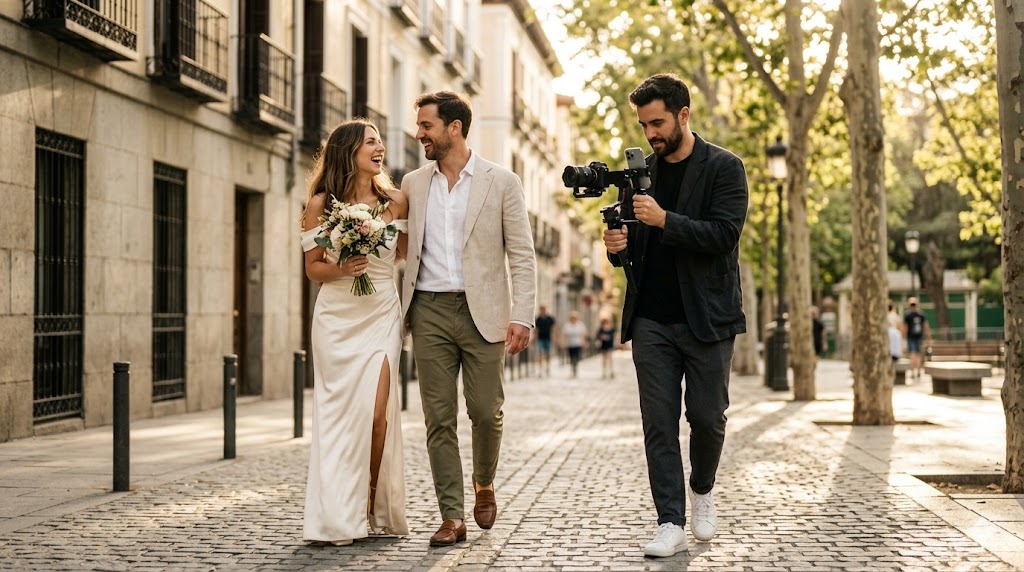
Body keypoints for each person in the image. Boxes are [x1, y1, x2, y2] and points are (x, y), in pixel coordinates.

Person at [602, 73, 748, 558]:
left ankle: (702, 490)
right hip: (651, 320)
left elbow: (723, 235)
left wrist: (665, 220)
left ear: (684, 115)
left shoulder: (726, 168)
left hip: (708, 317)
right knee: (658, 423)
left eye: (658, 123)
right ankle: (670, 521)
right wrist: (616, 247)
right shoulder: (639, 173)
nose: (650, 135)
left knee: (707, 418)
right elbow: (631, 249)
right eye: (644, 125)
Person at [400, 91, 537, 546]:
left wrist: (523, 315)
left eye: (426, 126)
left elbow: (522, 255)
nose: (419, 133)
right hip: (429, 309)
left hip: (485, 312)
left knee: (484, 410)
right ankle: (452, 515)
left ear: (453, 128)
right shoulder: (413, 183)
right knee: (438, 417)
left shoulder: (503, 182)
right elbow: (398, 245)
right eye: (419, 126)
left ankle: (484, 482)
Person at [299, 119, 410, 545]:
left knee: (377, 416)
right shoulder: (320, 204)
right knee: (339, 417)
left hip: (381, 310)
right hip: (336, 317)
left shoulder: (396, 201)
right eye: (371, 141)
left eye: (380, 140)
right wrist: (342, 265)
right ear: (349, 151)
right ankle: (336, 514)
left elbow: (403, 255)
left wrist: (372, 243)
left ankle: (367, 503)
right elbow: (313, 270)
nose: (379, 147)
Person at [902, 297, 931, 379]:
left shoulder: (914, 315)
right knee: (915, 354)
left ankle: (915, 371)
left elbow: (925, 326)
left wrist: (928, 336)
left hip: (916, 337)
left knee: (914, 354)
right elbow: (926, 326)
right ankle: (916, 370)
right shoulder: (919, 314)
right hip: (914, 337)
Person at [562, 311, 587, 378]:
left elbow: (583, 334)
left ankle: (575, 370)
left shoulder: (580, 325)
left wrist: (584, 343)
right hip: (570, 344)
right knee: (571, 358)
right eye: (572, 318)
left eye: (574, 317)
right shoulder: (567, 325)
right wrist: (564, 343)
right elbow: (565, 335)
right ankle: (572, 370)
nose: (573, 319)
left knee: (577, 357)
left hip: (578, 343)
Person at [534, 305, 556, 376]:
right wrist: (534, 338)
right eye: (541, 309)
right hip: (540, 339)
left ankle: (548, 368)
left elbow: (553, 329)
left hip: (548, 338)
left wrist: (554, 338)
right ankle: (540, 369)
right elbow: (536, 330)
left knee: (548, 354)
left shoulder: (550, 319)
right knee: (540, 354)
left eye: (544, 309)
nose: (543, 311)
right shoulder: (538, 319)